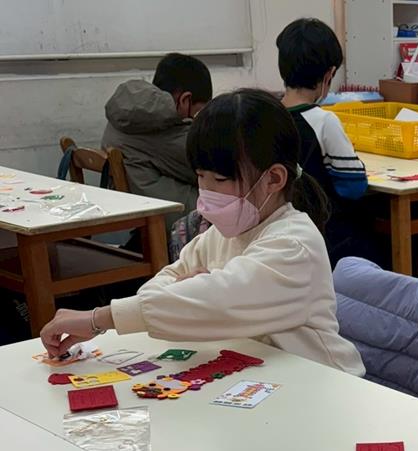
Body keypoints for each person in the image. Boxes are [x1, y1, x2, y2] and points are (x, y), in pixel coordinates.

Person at [41, 89, 365, 377]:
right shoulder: (225, 232)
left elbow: (215, 301)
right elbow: (162, 288)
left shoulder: (294, 244)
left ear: (273, 179)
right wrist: (187, 294)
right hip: (263, 378)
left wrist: (98, 319)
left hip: (323, 385)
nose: (207, 191)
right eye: (200, 176)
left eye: (220, 180)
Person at [277, 18, 375, 265]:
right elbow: (353, 187)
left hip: (281, 231)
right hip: (326, 238)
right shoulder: (323, 121)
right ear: (329, 74)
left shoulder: (266, 115)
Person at [102, 53, 212, 228]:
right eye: (200, 113)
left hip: (146, 209)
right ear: (185, 99)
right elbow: (216, 165)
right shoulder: (168, 130)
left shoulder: (128, 112)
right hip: (174, 219)